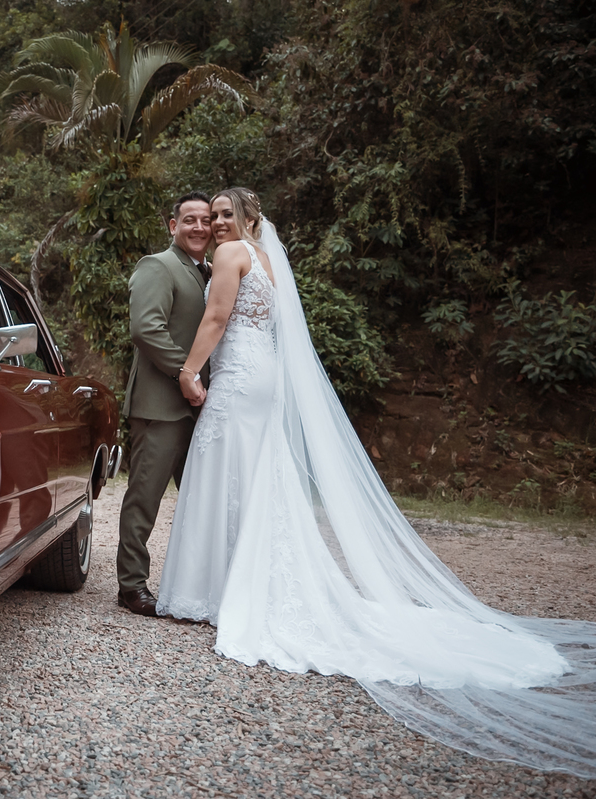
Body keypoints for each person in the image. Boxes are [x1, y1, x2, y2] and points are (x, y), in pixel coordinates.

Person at [156, 187, 596, 777]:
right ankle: (234, 582)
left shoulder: (232, 254)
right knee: (255, 479)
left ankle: (213, 590)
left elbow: (216, 318)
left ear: (248, 218)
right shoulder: (266, 260)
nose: (215, 222)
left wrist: (189, 370)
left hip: (237, 377)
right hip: (262, 376)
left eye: (224, 213)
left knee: (223, 470)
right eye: (212, 215)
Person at [116, 192, 213, 616]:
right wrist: (185, 374)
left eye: (206, 220)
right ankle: (131, 586)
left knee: (202, 500)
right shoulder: (158, 265)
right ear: (173, 226)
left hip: (203, 408)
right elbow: (146, 328)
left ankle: (196, 587)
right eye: (189, 219)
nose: (198, 227)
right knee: (144, 499)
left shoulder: (211, 272)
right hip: (160, 404)